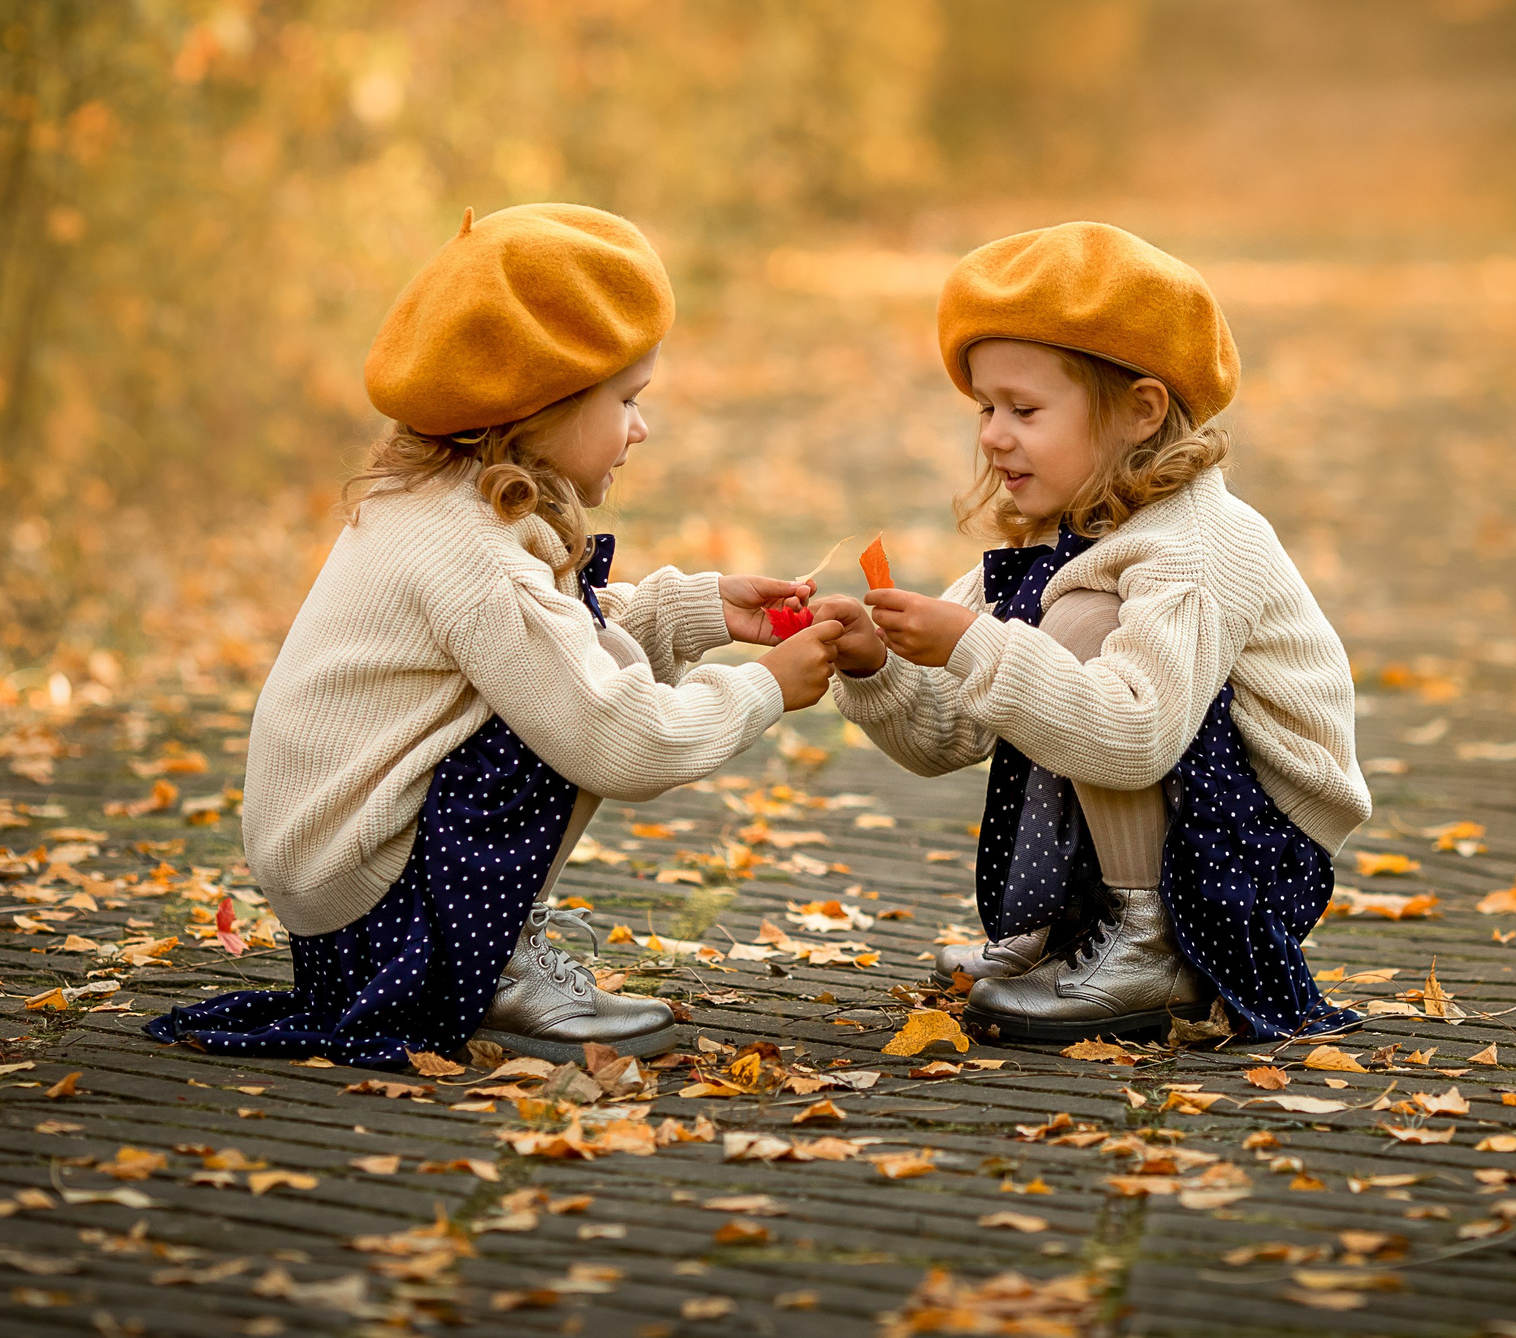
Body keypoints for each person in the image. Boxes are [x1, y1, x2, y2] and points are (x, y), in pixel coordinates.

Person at [148, 204, 842, 1071]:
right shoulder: (475, 555)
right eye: (626, 401)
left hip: (338, 881)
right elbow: (618, 737)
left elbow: (551, 641)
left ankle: (488, 947)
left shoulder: (445, 496)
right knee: (575, 708)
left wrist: (699, 611)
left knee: (566, 678)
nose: (642, 427)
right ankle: (491, 968)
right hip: (376, 904)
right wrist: (769, 684)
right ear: (538, 405)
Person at [812, 222, 1368, 1042]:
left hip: (1254, 849)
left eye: (1024, 409)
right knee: (1050, 648)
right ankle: (1074, 928)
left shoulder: (1196, 544)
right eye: (986, 407)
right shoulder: (1052, 532)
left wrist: (976, 641)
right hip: (1185, 801)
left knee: (1075, 624)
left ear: (1140, 410)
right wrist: (875, 669)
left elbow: (1136, 737)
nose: (993, 434)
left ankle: (1154, 942)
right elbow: (948, 733)